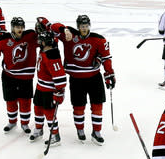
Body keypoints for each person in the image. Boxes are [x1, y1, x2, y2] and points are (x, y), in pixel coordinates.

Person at [47, 15, 115, 145]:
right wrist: (64, 29)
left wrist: (109, 74)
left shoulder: (99, 39)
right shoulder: (69, 36)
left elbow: (106, 57)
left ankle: (97, 132)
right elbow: (53, 27)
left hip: (94, 77)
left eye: (86, 26)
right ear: (78, 27)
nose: (84, 29)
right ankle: (80, 130)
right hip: (76, 79)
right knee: (78, 106)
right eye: (82, 26)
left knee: (97, 106)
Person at [0, 17, 39, 134]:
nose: (20, 29)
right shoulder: (3, 39)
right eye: (17, 27)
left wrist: (42, 28)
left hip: (26, 77)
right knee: (10, 100)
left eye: (21, 27)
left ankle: (25, 124)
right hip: (9, 76)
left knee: (25, 101)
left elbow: (47, 41)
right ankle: (12, 121)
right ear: (12, 28)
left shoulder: (31, 36)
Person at [31, 30, 67, 145]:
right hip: (40, 87)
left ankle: (55, 135)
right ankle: (38, 129)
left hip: (49, 90)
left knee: (49, 113)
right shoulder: (44, 50)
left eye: (41, 41)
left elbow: (60, 77)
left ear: (45, 42)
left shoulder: (52, 55)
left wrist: (59, 92)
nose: (39, 42)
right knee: (37, 108)